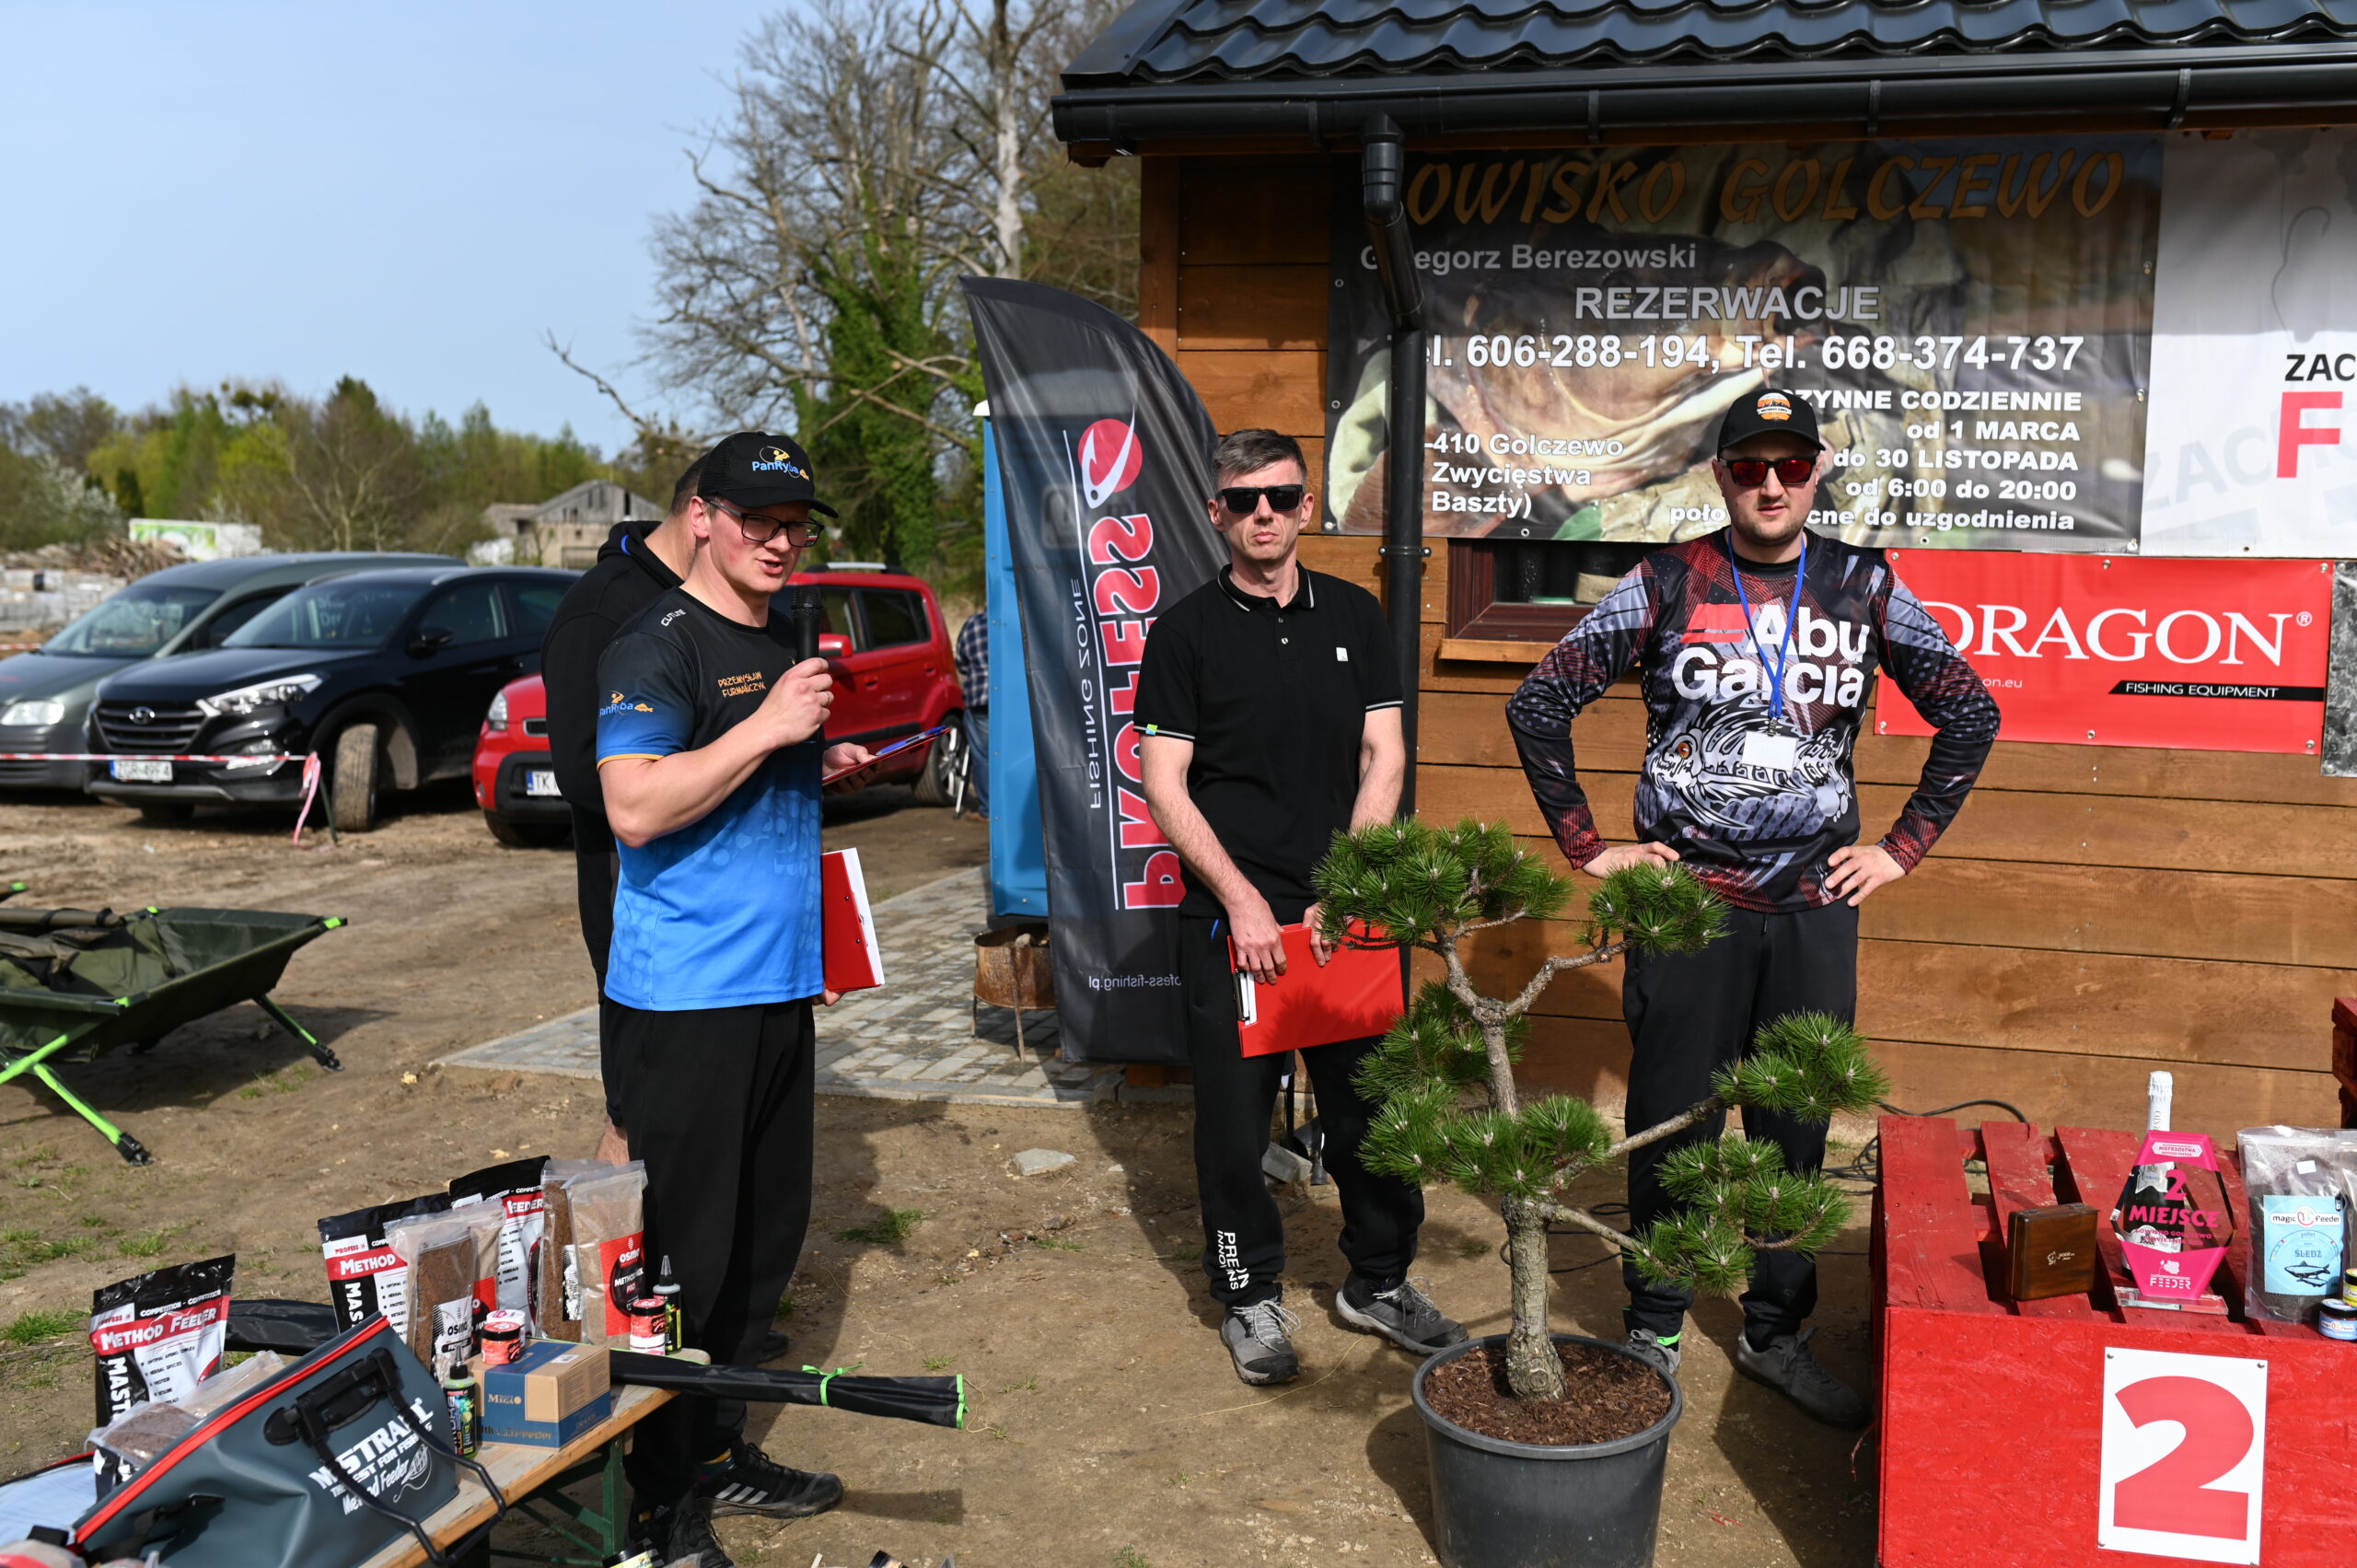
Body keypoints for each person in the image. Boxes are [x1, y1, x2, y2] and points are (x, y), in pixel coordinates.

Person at [1505, 388, 2001, 1428]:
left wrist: (1901, 849)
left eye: (1790, 465)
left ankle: (1776, 1331)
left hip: (1815, 900)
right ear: (1720, 474)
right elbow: (1539, 701)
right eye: (1748, 466)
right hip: (1687, 900)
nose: (1770, 484)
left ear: (1817, 472)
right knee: (1671, 1114)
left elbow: (1969, 709)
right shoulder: (1663, 581)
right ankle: (1654, 1324)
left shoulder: (1863, 584)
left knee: (1795, 1122)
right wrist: (1590, 848)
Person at [594, 431, 876, 1567]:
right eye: (758, 518)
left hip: (776, 986)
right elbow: (634, 806)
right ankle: (654, 1507)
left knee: (760, 1254)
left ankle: (713, 1453)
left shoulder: (783, 633)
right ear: (703, 516)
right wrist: (767, 729)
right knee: (685, 1264)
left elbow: (740, 781)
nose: (780, 539)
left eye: (796, 522)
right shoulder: (652, 643)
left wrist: (813, 762)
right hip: (685, 998)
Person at [1137, 428, 1466, 1387]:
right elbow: (1164, 783)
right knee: (1234, 1130)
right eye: (1243, 500)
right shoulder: (1184, 633)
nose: (1264, 514)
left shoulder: (1357, 615)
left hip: (1347, 912)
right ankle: (1249, 1294)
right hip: (1233, 920)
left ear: (1306, 505)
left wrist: (1346, 886)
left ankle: (1381, 1279)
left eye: (1280, 496)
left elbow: (1384, 755)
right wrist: (1243, 901)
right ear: (1216, 512)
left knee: (1372, 1112)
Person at [953, 607, 989, 818]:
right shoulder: (1019, 621)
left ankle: (989, 810)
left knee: (983, 756)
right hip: (1012, 700)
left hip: (979, 697)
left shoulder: (973, 624)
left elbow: (961, 662)